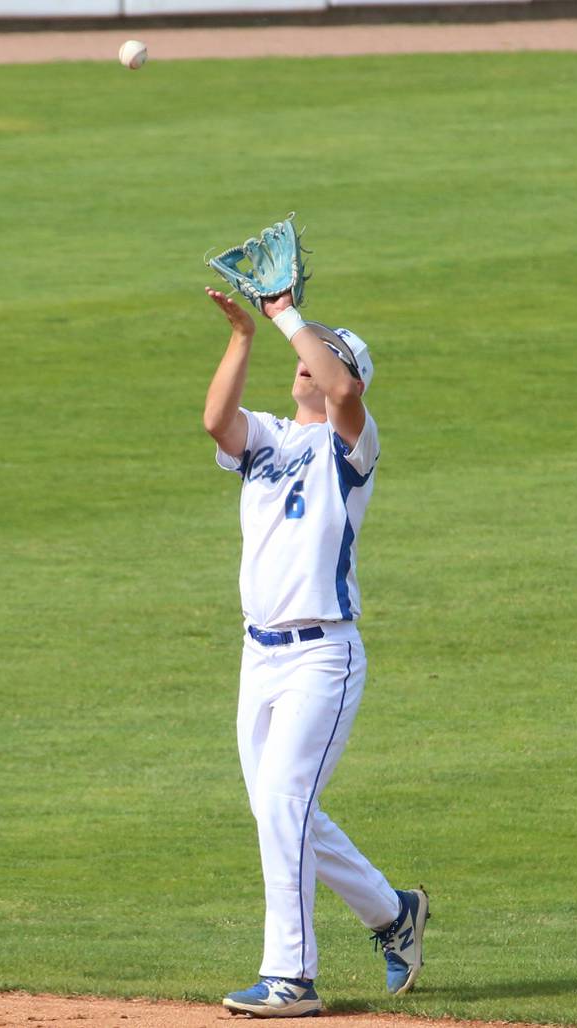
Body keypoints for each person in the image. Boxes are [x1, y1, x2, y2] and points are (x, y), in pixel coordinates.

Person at [203, 285, 429, 1019]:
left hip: (321, 657)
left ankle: (290, 977)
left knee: (283, 802)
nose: (309, 362)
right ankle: (393, 913)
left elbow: (342, 386)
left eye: (325, 352)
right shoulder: (268, 437)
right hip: (257, 656)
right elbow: (216, 421)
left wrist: (285, 317)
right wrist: (242, 336)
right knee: (278, 810)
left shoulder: (350, 448)